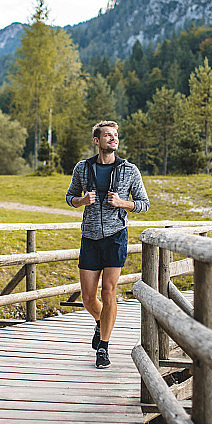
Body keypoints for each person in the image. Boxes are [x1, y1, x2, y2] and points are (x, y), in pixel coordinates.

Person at [66, 120, 149, 368]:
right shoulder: (82, 168)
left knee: (108, 291)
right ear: (97, 141)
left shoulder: (129, 170)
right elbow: (70, 197)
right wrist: (82, 200)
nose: (113, 139)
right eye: (108, 135)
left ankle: (103, 346)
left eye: (115, 136)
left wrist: (123, 203)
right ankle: (102, 322)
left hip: (116, 236)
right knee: (88, 297)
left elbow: (144, 204)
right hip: (90, 238)